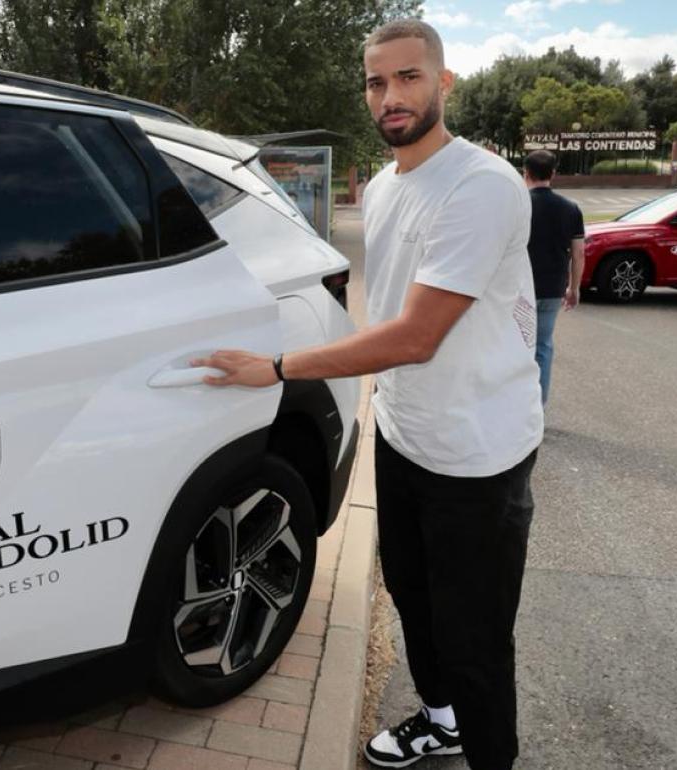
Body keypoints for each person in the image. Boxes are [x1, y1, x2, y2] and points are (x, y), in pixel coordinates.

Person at [191, 18, 542, 770]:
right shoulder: (383, 188)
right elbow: (379, 315)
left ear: (444, 83)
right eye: (377, 82)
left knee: (474, 636)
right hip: (407, 434)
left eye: (409, 77)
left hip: (479, 454)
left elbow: (415, 335)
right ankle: (441, 722)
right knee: (414, 599)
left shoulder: (481, 186)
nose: (391, 96)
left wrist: (280, 366)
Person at [523, 149, 585, 406]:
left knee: (515, 347)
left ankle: (513, 408)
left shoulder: (519, 204)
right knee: (543, 347)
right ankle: (538, 407)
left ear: (525, 173)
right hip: (552, 287)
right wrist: (574, 287)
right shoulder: (570, 208)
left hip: (520, 287)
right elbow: (578, 252)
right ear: (553, 174)